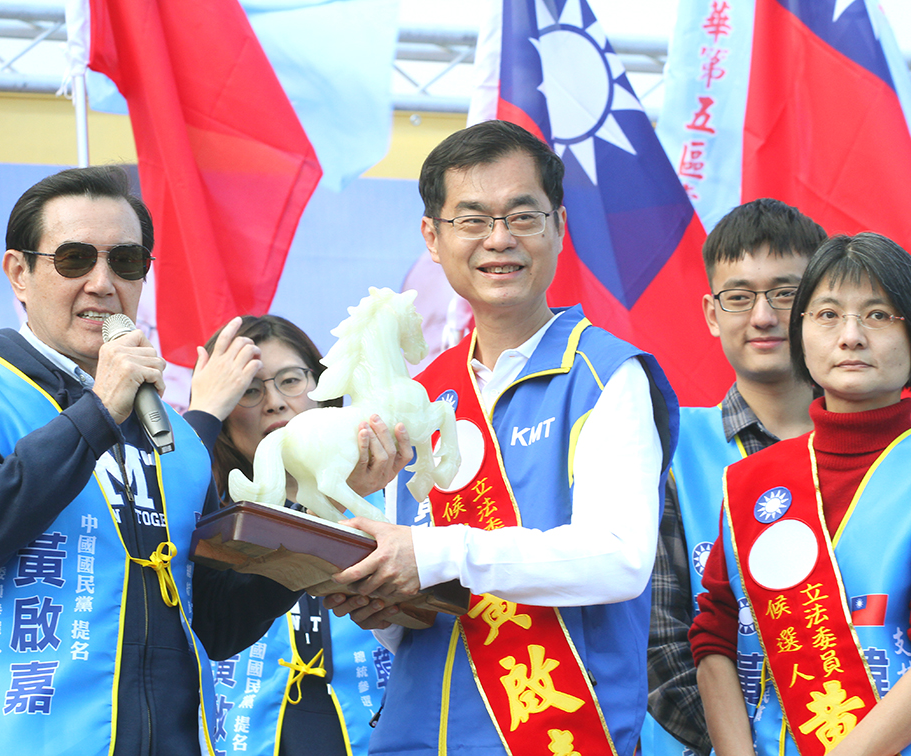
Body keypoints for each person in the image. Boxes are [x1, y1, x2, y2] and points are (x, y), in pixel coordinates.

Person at [0, 166, 306, 756]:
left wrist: (311, 529)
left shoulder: (174, 441)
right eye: (75, 259)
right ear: (19, 274)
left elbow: (213, 622)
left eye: (127, 262)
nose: (103, 283)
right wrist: (98, 411)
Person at [325, 119, 680, 755]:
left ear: (558, 228)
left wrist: (435, 554)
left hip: (557, 733)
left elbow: (620, 558)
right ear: (432, 237)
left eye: (522, 216)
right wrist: (383, 604)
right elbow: (417, 582)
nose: (499, 240)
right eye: (472, 219)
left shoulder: (606, 375)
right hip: (420, 733)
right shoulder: (419, 394)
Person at [690, 232, 911, 756]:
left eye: (879, 315)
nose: (851, 336)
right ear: (801, 331)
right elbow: (714, 632)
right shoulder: (752, 482)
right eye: (828, 314)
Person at [645, 199, 826, 756]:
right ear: (710, 312)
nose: (763, 316)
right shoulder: (666, 450)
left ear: (821, 305)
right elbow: (659, 642)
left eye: (786, 293)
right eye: (739, 297)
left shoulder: (883, 453)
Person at [185, 314, 406, 756]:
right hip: (248, 735)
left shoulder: (391, 499)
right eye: (249, 390)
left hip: (380, 726)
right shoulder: (204, 516)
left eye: (290, 380)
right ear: (225, 416)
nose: (274, 403)